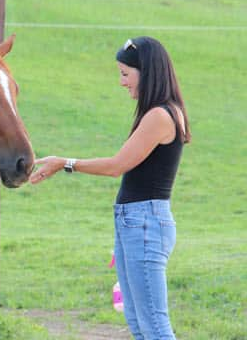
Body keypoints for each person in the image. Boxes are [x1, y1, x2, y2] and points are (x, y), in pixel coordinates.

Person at [29, 36, 190, 340]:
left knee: (154, 326)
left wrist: (66, 162)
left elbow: (118, 166)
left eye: (125, 74)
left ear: (147, 72)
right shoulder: (157, 112)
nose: (121, 82)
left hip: (144, 224)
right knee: (140, 324)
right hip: (136, 222)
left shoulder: (160, 116)